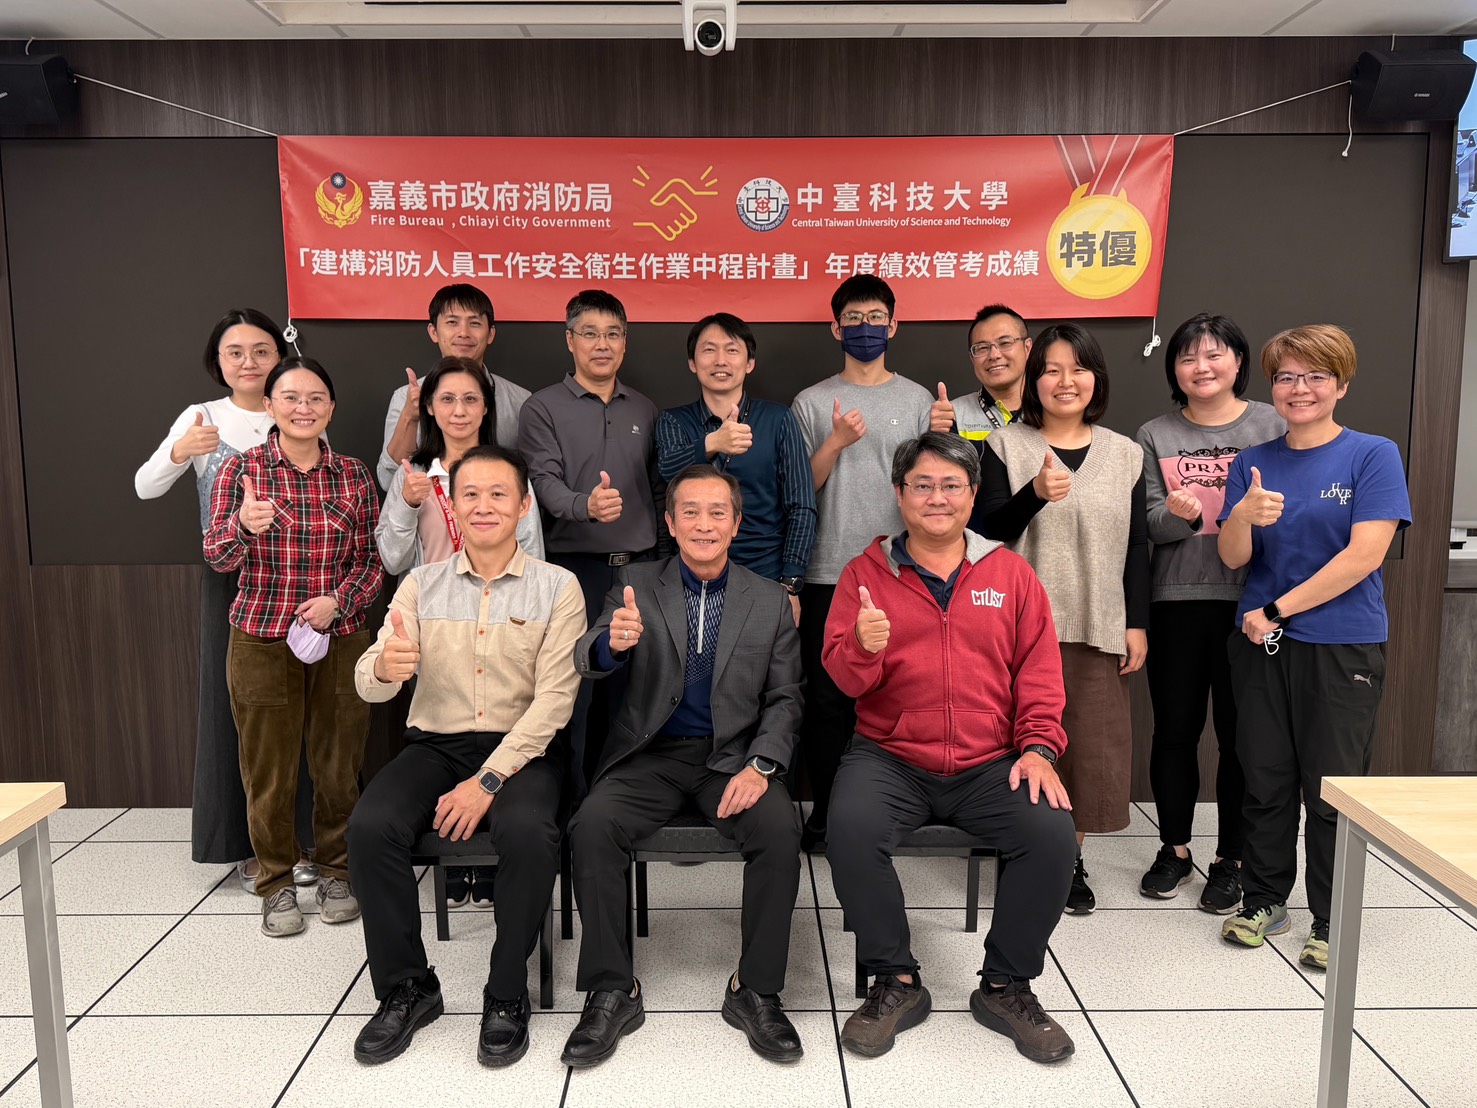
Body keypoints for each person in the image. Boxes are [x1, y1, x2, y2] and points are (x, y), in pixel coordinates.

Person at [823, 432, 1078, 1063]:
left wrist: (1038, 748)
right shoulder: (864, 574)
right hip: (889, 756)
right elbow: (844, 679)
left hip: (991, 760)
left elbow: (1040, 672)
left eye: (951, 485)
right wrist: (864, 648)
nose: (936, 498)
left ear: (971, 494)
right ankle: (896, 980)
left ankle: (1005, 986)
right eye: (922, 485)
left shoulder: (1010, 573)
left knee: (1051, 835)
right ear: (899, 494)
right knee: (848, 829)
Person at [348, 445, 586, 1067]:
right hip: (436, 745)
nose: (484, 506)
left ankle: (506, 991)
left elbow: (555, 702)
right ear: (451, 505)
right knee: (371, 826)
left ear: (524, 505)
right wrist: (384, 668)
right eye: (470, 494)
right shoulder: (419, 585)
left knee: (529, 831)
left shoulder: (558, 588)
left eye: (498, 494)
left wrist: (488, 781)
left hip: (525, 750)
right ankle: (407, 987)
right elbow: (370, 678)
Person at [560, 464, 803, 1069]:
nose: (703, 524)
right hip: (651, 754)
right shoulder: (635, 584)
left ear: (737, 523)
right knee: (592, 825)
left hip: (733, 759)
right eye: (689, 511)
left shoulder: (769, 599)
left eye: (717, 512)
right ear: (669, 523)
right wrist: (611, 644)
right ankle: (613, 988)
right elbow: (587, 656)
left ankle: (755, 989)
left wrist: (762, 765)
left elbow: (786, 698)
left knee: (780, 829)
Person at [1216, 324, 1410, 970]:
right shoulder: (1253, 461)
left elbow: (1364, 556)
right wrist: (1241, 516)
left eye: (1315, 376)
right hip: (1260, 646)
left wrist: (1277, 609)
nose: (1298, 389)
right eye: (1285, 377)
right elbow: (1232, 557)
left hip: (1339, 644)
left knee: (1332, 790)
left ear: (1341, 385)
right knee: (1264, 780)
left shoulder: (1371, 455)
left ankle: (1332, 919)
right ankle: (1264, 899)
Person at [135, 309, 316, 890]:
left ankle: (303, 839)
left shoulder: (297, 406)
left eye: (261, 350)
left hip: (296, 578)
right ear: (217, 361)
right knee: (236, 710)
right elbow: (145, 487)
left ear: (279, 355)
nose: (249, 362)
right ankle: (248, 844)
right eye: (235, 352)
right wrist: (180, 450)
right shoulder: (202, 417)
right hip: (231, 576)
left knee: (301, 707)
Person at [973, 323, 1150, 914]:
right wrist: (1035, 493)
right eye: (1051, 369)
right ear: (1033, 380)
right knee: (1012, 745)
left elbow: (1137, 545)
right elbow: (986, 531)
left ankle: (1065, 859)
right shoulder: (1003, 446)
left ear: (1096, 378)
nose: (1065, 380)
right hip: (1017, 629)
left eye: (1078, 368)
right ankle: (1019, 850)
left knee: (1084, 752)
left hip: (1097, 625)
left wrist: (1136, 622)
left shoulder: (1126, 453)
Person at [204, 356, 383, 938]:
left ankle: (337, 871)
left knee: (339, 767)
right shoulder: (242, 470)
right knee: (269, 771)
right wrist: (243, 526)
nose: (303, 408)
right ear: (270, 405)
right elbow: (218, 556)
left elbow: (372, 560)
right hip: (260, 635)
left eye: (315, 398)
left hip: (341, 636)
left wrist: (339, 602)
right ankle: (275, 882)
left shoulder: (353, 474)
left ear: (331, 408)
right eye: (290, 397)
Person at [788, 275, 952, 850]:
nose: (865, 328)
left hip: (902, 569)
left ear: (894, 325)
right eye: (853, 319)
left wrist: (944, 436)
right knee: (828, 700)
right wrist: (834, 442)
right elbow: (800, 490)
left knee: (900, 692)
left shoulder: (917, 401)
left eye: (875, 317)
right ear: (836, 328)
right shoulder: (811, 402)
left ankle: (893, 810)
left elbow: (936, 488)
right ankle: (828, 815)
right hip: (827, 571)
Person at [1134, 314, 1284, 911]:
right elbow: (1150, 525)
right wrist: (1181, 514)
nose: (1201, 367)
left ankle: (1232, 859)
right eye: (1188, 357)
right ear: (1174, 369)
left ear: (1238, 362)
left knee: (1241, 737)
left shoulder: (1272, 423)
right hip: (1177, 601)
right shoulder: (1155, 433)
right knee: (1175, 731)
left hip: (1252, 603)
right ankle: (1174, 849)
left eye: (1215, 354)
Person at [517, 289, 665, 792]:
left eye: (613, 334)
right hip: (574, 571)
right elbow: (542, 482)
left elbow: (658, 488)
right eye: (590, 333)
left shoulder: (644, 407)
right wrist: (586, 506)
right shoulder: (542, 408)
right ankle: (572, 804)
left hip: (640, 570)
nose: (602, 344)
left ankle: (619, 800)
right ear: (570, 340)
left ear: (625, 342)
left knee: (632, 692)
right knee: (572, 691)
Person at [655, 312, 816, 624]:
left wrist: (791, 582)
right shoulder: (673, 421)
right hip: (692, 575)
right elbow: (669, 470)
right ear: (692, 363)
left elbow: (802, 505)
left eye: (731, 350)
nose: (720, 360)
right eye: (709, 350)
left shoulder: (778, 419)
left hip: (766, 573)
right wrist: (713, 442)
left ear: (749, 363)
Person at [377, 283, 531, 491]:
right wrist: (410, 417)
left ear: (490, 334)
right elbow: (388, 482)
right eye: (452, 322)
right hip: (428, 508)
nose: (463, 333)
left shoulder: (521, 401)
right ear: (434, 331)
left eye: (474, 323)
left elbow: (528, 479)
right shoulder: (406, 396)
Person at [949, 304, 1033, 451]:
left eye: (1005, 343)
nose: (994, 355)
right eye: (982, 348)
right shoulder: (953, 415)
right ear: (972, 358)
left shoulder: (1051, 408)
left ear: (1027, 348)